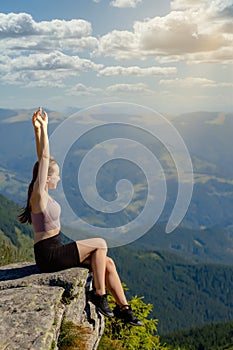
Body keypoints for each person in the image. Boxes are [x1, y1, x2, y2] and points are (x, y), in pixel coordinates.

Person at [18, 107, 143, 326]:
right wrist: (46, 128)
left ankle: (124, 309)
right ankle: (99, 294)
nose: (59, 179)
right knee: (100, 244)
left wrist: (37, 130)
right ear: (46, 179)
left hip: (55, 248)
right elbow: (44, 158)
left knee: (108, 264)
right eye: (56, 176)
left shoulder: (43, 193)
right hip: (49, 255)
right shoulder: (38, 196)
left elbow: (43, 158)